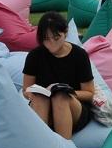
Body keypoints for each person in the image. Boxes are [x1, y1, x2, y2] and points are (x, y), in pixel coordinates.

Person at [22, 12, 95, 140]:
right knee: (40, 97)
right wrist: (32, 93)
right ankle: (43, 146)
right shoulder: (35, 56)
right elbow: (26, 89)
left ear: (65, 32)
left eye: (56, 38)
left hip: (73, 108)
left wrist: (70, 92)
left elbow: (89, 93)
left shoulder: (79, 55)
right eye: (46, 39)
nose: (51, 44)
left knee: (60, 96)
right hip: (44, 109)